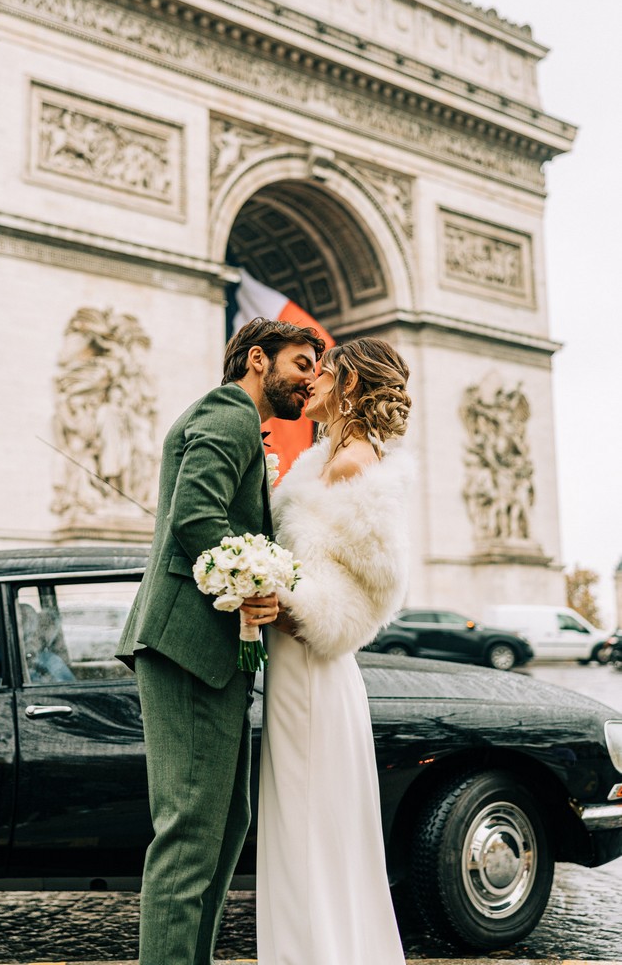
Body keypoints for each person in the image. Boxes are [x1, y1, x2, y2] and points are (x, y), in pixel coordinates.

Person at [115, 317, 325, 965]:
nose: (309, 378)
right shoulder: (228, 413)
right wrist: (254, 583)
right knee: (188, 837)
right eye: (300, 363)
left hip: (206, 653)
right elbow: (195, 517)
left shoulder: (237, 421)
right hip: (189, 649)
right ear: (256, 359)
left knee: (222, 829)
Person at [257, 337, 414, 965]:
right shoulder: (317, 459)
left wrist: (291, 604)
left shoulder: (354, 465)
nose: (313, 378)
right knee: (299, 827)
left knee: (310, 827)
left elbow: (377, 594)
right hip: (293, 670)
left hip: (317, 671)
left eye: (327, 371)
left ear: (350, 386)